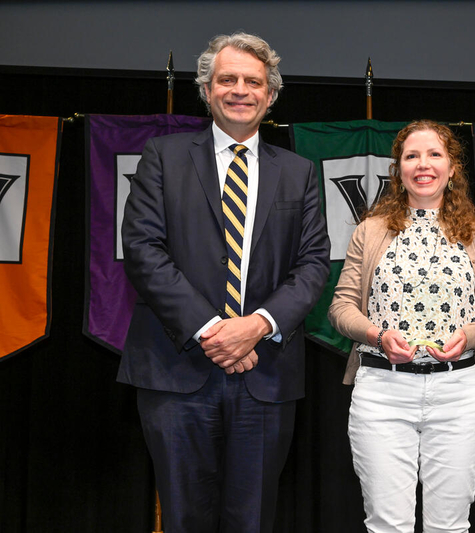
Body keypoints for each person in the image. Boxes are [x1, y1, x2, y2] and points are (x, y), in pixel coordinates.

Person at [118, 32, 330, 533]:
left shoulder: (298, 172)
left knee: (252, 519)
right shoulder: (162, 157)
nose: (240, 90)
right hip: (175, 371)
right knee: (184, 517)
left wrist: (256, 325)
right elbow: (143, 251)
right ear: (207, 90)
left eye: (253, 81)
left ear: (270, 95)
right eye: (227, 79)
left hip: (267, 375)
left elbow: (314, 262)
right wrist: (216, 330)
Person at [328, 120, 475, 533]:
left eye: (434, 155)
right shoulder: (370, 231)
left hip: (457, 394)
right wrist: (378, 336)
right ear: (398, 169)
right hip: (382, 393)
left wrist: (471, 335)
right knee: (387, 525)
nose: (422, 164)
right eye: (411, 155)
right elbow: (341, 308)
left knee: (449, 526)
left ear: (452, 168)